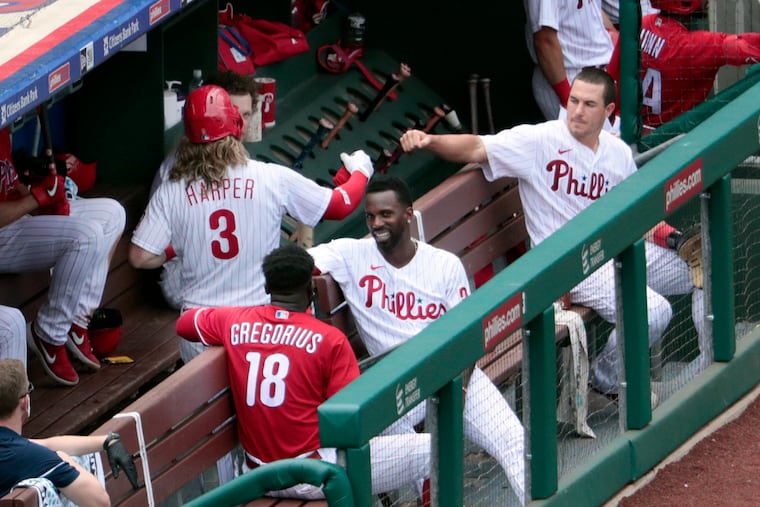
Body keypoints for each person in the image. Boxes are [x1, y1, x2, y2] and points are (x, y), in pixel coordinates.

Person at [400, 68, 707, 401]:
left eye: (589, 104)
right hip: (571, 264)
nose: (577, 110)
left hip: (615, 250)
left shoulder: (617, 154)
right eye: (573, 100)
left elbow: (637, 214)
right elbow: (476, 147)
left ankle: (708, 368)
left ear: (608, 111)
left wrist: (674, 241)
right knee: (653, 312)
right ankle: (604, 380)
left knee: (707, 269)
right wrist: (430, 141)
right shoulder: (540, 140)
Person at [307, 174, 526, 504]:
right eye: (370, 216)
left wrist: (461, 390)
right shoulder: (349, 255)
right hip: (392, 386)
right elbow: (299, 266)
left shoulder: (443, 265)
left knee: (513, 440)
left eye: (386, 214)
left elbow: (466, 335)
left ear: (408, 215)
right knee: (425, 455)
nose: (376, 223)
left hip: (450, 372)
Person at [129, 85, 373, 365]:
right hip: (256, 327)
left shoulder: (172, 189)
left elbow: (141, 256)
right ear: (236, 126)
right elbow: (340, 205)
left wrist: (178, 248)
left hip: (200, 330)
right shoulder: (270, 177)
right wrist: (361, 171)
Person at [175, 244, 431, 501]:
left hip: (256, 474)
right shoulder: (330, 340)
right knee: (433, 448)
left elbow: (185, 324)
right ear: (310, 288)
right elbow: (353, 421)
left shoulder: (233, 321)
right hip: (315, 476)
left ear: (266, 288)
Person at [0, 127, 126, 386]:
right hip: (3, 233)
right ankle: (49, 332)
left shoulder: (3, 128)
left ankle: (77, 318)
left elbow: (10, 187)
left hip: (17, 219)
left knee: (112, 214)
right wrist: (37, 199)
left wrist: (40, 189)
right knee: (85, 236)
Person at [149, 70, 260, 310]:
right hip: (182, 273)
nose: (241, 122)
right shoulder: (184, 164)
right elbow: (152, 250)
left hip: (221, 262)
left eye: (247, 114)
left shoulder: (228, 153)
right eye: (233, 113)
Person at [0, 358, 138, 504]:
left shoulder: (11, 447)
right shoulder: (25, 456)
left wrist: (107, 441)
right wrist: (61, 458)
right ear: (26, 402)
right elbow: (100, 502)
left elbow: (45, 445)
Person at [640, 0, 760, 129]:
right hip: (668, 141)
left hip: (628, 133)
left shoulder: (643, 24)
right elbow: (735, 46)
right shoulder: (693, 45)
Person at [523, 0, 615, 120]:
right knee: (584, 137)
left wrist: (614, 38)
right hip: (570, 77)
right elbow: (545, 41)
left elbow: (593, 10)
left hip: (601, 73)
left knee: (611, 137)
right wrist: (569, 101)